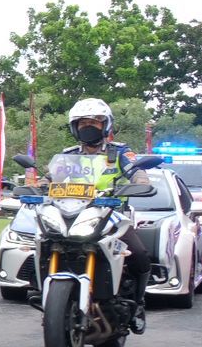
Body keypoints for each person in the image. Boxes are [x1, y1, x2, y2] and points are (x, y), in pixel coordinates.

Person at [57, 98, 153, 308]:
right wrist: (38, 185)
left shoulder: (119, 152)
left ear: (105, 125)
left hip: (112, 216)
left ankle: (138, 301)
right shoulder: (68, 155)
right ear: (75, 127)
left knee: (139, 254)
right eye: (82, 123)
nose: (87, 127)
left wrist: (141, 182)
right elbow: (51, 178)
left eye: (94, 122)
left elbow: (137, 172)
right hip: (74, 216)